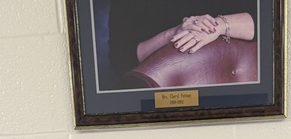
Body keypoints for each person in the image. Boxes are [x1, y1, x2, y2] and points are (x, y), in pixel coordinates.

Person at [107, 1, 256, 82]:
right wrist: (172, 34)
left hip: (237, 90)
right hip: (166, 98)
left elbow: (265, 22)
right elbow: (121, 60)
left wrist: (217, 26)